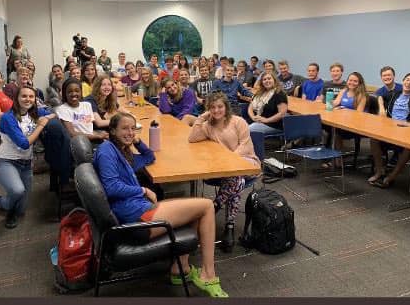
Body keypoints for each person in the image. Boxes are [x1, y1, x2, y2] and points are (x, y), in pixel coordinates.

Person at [94, 112, 228, 297]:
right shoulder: (106, 151)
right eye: (125, 128)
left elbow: (149, 157)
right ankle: (208, 274)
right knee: (206, 206)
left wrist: (137, 142)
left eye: (133, 128)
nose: (130, 132)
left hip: (136, 210)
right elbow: (111, 187)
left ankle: (179, 267)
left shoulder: (120, 150)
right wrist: (142, 190)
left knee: (193, 207)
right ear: (112, 130)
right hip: (137, 217)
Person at [0, 86, 54, 228]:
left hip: (26, 164)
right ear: (16, 98)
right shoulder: (7, 118)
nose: (28, 99)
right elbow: (24, 144)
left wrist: (48, 116)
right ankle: (10, 212)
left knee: (21, 209)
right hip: (5, 162)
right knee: (17, 191)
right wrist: (40, 125)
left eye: (31, 96)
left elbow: (53, 112)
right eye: (24, 96)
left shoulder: (33, 113)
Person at [189, 92, 260, 253]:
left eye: (220, 106)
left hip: (247, 163)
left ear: (226, 107)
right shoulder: (208, 126)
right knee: (238, 181)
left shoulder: (238, 122)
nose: (216, 110)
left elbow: (246, 145)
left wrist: (230, 161)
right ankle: (229, 225)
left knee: (237, 176)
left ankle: (215, 205)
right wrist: (201, 118)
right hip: (227, 171)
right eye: (212, 107)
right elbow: (192, 138)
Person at [369, 73, 410, 187]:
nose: (409, 83)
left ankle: (392, 176)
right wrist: (382, 108)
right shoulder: (395, 94)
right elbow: (380, 96)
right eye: (407, 80)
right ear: (403, 81)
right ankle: (380, 171)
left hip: (407, 131)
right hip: (391, 129)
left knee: (409, 147)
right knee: (374, 139)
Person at [56, 78, 109, 144]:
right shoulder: (62, 109)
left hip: (93, 139)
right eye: (70, 92)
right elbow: (72, 134)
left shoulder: (87, 105)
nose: (74, 94)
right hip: (80, 144)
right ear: (65, 94)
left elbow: (89, 129)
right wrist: (97, 136)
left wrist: (101, 134)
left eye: (77, 91)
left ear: (81, 92)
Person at [332, 72, 368, 153]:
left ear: (359, 83)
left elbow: (358, 115)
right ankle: (333, 155)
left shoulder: (361, 96)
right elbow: (336, 103)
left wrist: (344, 111)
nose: (352, 83)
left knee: (335, 131)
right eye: (350, 80)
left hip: (354, 125)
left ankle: (337, 159)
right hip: (342, 122)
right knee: (330, 128)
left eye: (355, 81)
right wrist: (328, 101)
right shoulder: (344, 91)